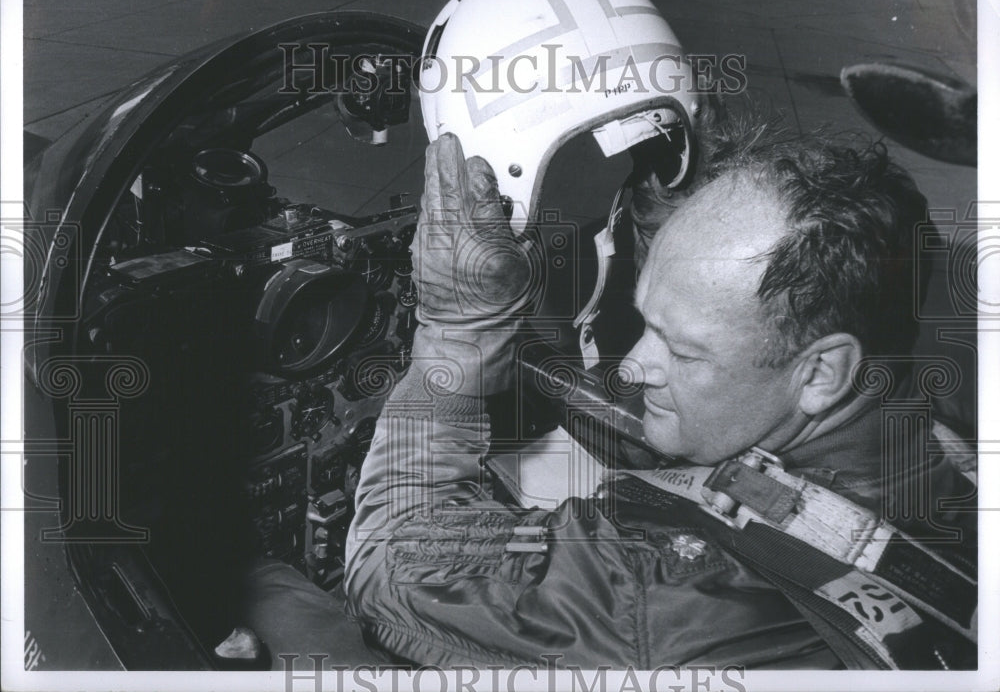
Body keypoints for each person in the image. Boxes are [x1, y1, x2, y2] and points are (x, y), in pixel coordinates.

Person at [343, 118, 977, 670]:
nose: (634, 366)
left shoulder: (661, 591)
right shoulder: (945, 441)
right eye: (647, 324)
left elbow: (389, 565)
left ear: (820, 374)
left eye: (684, 350)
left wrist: (459, 335)